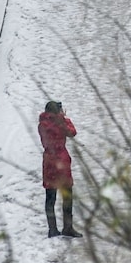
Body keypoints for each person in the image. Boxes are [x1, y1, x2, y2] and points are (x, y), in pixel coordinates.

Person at [38, 101, 82, 238]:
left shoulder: (42, 124)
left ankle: (52, 229)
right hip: (61, 161)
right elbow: (72, 132)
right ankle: (68, 227)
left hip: (49, 162)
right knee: (67, 196)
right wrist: (64, 118)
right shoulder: (61, 123)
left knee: (50, 197)